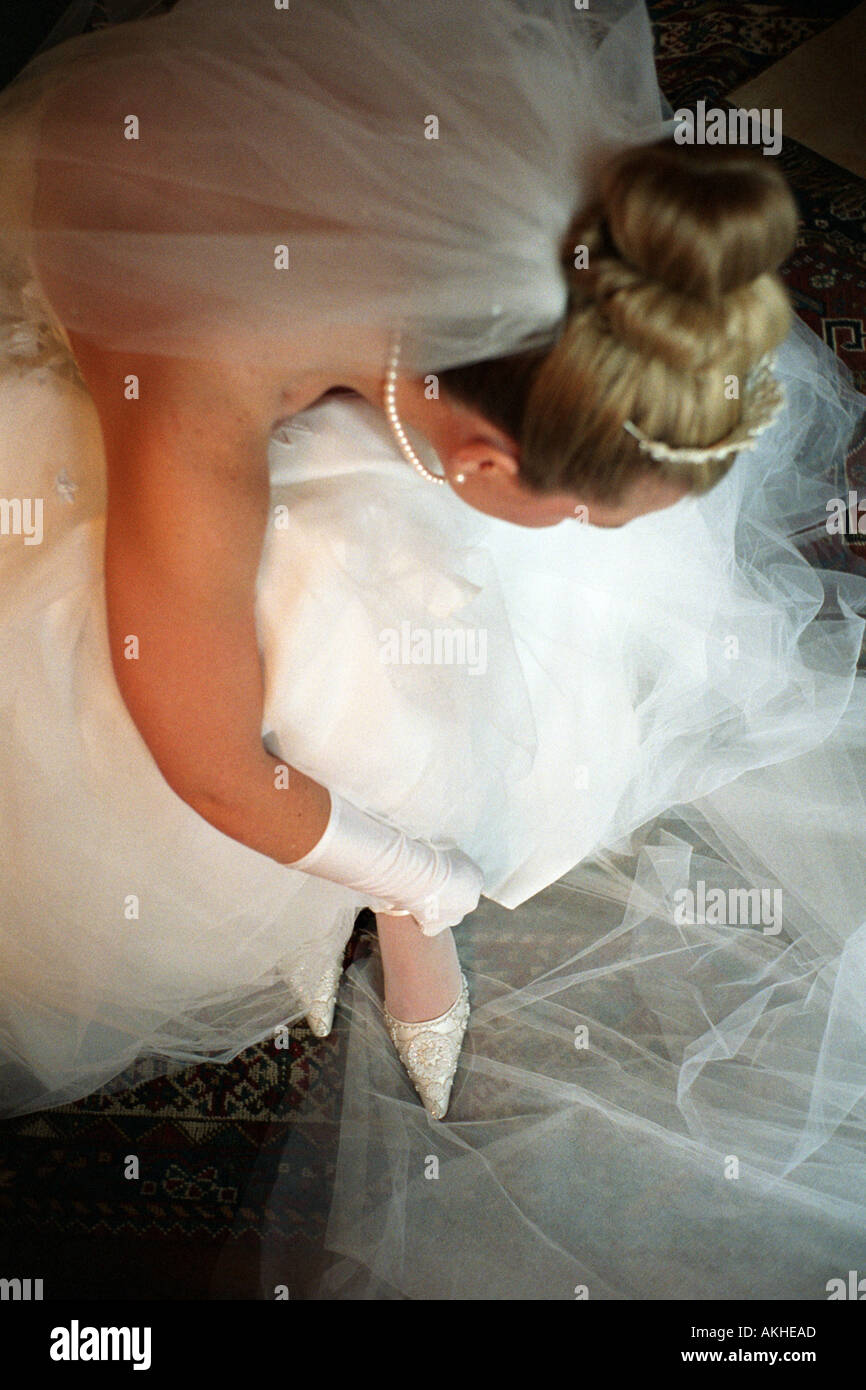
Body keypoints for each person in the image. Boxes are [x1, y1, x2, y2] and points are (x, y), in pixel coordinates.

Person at [1, 0, 866, 1296]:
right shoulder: (199, 397)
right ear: (477, 454)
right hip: (115, 321)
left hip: (273, 239)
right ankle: (404, 913)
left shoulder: (577, 209)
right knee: (336, 632)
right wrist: (422, 881)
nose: (581, 528)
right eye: (570, 497)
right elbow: (207, 761)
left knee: (503, 578)